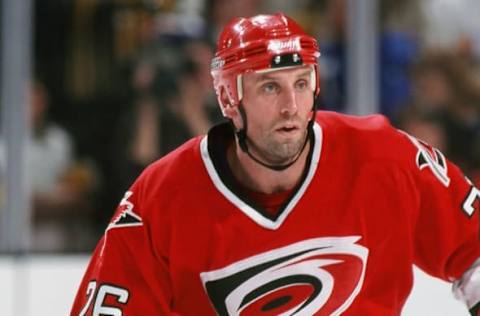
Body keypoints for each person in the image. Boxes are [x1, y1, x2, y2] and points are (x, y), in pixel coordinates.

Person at [71, 13, 480, 315]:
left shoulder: (384, 157)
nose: (291, 106)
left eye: (301, 84)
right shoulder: (160, 196)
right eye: (270, 87)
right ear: (230, 99)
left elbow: (473, 252)